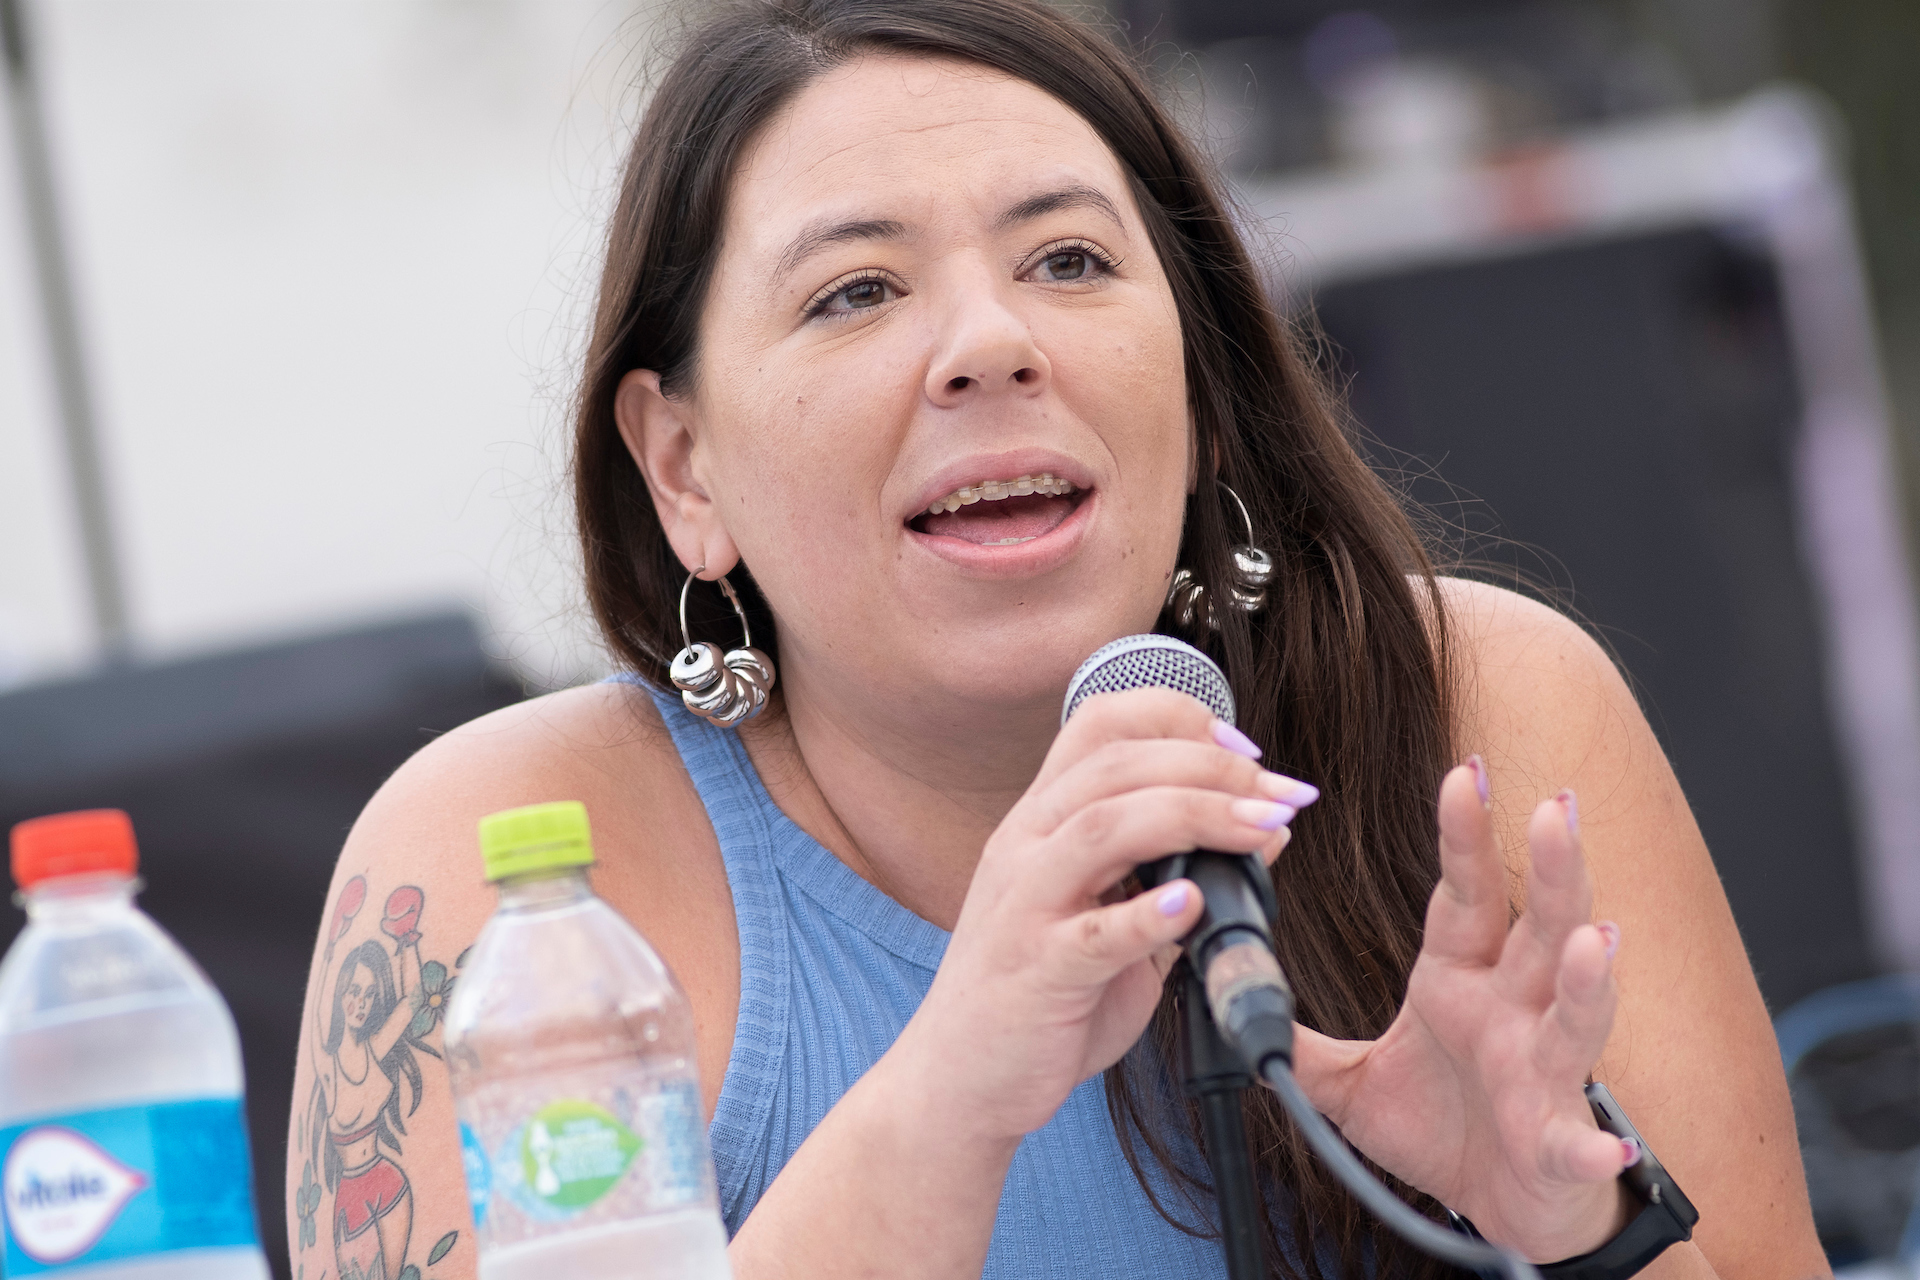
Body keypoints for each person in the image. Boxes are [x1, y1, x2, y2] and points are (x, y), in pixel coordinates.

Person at [285, 0, 1825, 1275]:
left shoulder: (1482, 720)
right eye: (858, 291)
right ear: (684, 465)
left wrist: (1571, 1228)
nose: (990, 345)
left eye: (1070, 262)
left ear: (1206, 382)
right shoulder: (524, 871)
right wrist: (951, 1097)